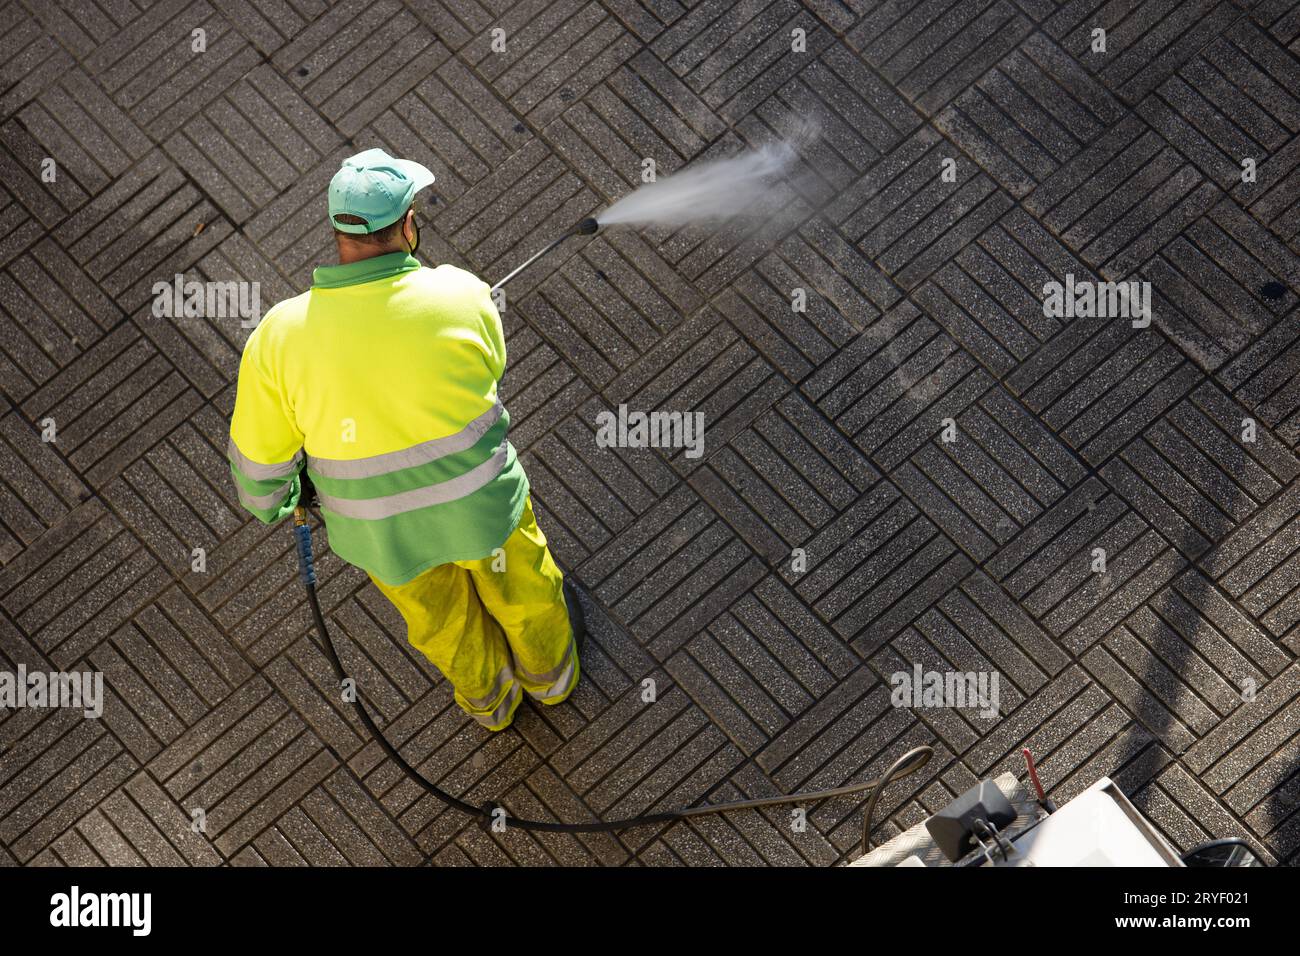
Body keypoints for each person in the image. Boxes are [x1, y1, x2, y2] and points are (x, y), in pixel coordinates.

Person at [227, 148, 583, 731]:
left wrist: (285, 504)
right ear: (409, 225)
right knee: (524, 590)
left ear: (338, 231)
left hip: (383, 535)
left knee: (440, 622)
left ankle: (491, 704)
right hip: (481, 511)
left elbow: (260, 473)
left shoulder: (279, 338)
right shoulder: (461, 295)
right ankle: (553, 680)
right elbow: (490, 371)